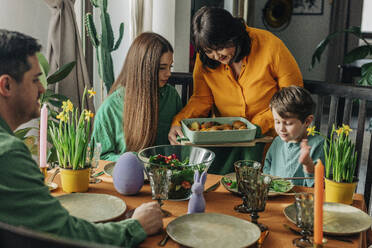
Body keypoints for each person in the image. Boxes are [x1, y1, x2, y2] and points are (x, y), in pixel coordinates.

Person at [0, 29, 163, 247]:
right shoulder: (8, 154)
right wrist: (136, 226)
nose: (42, 89)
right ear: (6, 85)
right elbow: (66, 234)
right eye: (35, 80)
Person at [168, 6, 303, 174]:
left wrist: (256, 126)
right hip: (226, 143)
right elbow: (201, 99)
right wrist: (179, 122)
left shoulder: (270, 46)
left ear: (233, 35)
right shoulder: (204, 58)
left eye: (220, 47)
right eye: (209, 51)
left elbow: (293, 97)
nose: (217, 56)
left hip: (272, 142)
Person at [91, 32, 182, 161]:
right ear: (143, 68)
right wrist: (131, 160)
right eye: (162, 68)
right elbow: (96, 158)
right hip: (126, 178)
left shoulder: (172, 97)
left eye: (170, 67)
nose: (169, 74)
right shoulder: (110, 108)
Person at [263, 86, 325, 186]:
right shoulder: (277, 141)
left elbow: (320, 187)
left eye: (288, 123)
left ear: (307, 121)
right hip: (275, 198)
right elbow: (267, 166)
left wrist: (308, 165)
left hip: (302, 199)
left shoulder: (319, 145)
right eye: (277, 122)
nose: (281, 128)